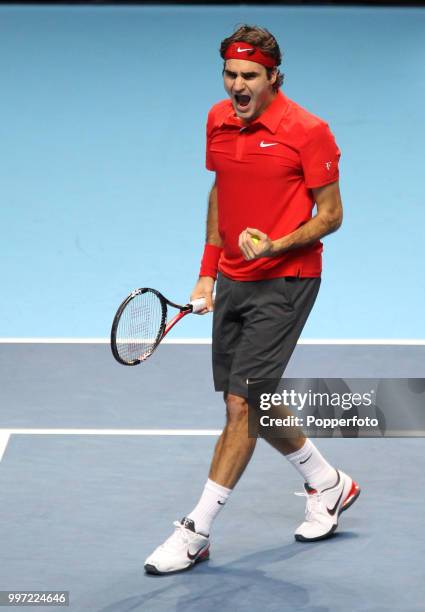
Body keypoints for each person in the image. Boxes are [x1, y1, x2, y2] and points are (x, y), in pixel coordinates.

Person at [144, 24, 360, 575]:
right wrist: (206, 274)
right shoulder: (217, 119)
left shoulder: (309, 131)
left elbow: (331, 216)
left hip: (287, 280)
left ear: (273, 78)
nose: (237, 86)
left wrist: (275, 246)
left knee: (244, 403)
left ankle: (196, 530)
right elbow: (221, 190)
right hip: (235, 278)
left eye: (249, 77)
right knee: (249, 404)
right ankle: (328, 483)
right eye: (230, 75)